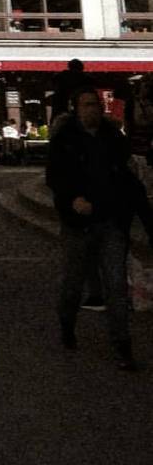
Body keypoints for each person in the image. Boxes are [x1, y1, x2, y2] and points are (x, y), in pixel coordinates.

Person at [46, 85, 153, 370]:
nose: (93, 109)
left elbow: (130, 182)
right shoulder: (65, 141)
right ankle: (67, 323)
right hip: (78, 225)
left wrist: (145, 219)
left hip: (111, 221)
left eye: (95, 104)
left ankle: (122, 344)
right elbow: (55, 178)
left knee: (116, 285)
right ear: (76, 109)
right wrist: (72, 200)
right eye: (86, 105)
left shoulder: (113, 139)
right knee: (73, 282)